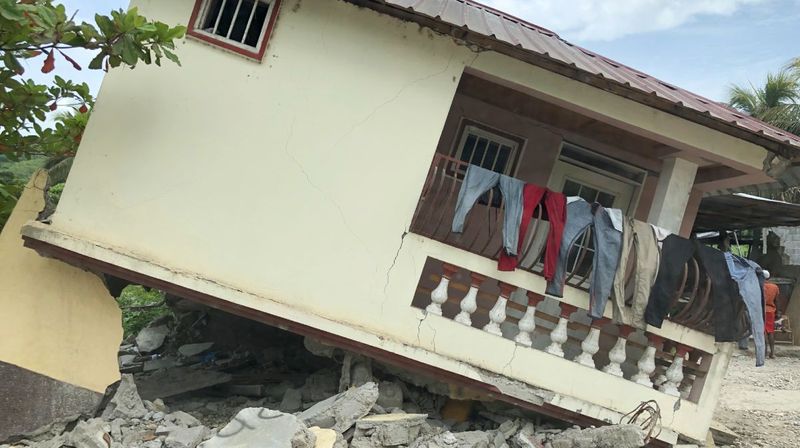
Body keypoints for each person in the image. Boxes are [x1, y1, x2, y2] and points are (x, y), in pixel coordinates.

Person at [763, 270, 780, 359]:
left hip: (761, 310)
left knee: (763, 332)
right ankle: (772, 353)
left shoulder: (759, 286)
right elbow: (777, 301)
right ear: (769, 277)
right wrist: (779, 312)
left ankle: (764, 353)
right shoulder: (775, 287)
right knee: (770, 332)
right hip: (771, 311)